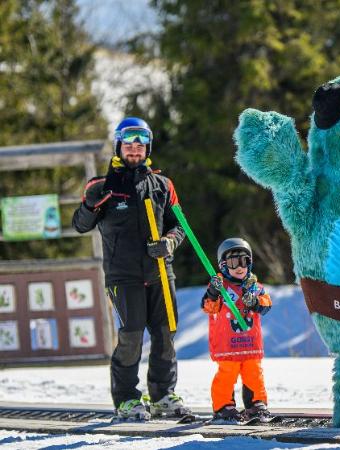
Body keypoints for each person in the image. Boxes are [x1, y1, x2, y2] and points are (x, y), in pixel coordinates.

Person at [72, 117, 188, 420]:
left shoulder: (163, 185)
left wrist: (169, 243)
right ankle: (126, 399)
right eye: (128, 144)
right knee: (132, 335)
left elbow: (180, 227)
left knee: (165, 335)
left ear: (147, 147)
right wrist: (88, 206)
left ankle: (162, 395)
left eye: (140, 144)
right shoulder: (103, 185)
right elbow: (81, 225)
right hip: (123, 276)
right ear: (119, 147)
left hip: (161, 271)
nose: (134, 149)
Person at [202, 238, 273, 422]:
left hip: (250, 343)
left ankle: (256, 404)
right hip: (228, 345)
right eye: (234, 263)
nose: (239, 267)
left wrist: (255, 303)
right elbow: (209, 307)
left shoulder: (254, 286)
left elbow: (266, 305)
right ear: (224, 265)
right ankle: (223, 406)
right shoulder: (220, 286)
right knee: (227, 374)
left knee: (254, 374)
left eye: (244, 261)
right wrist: (213, 292)